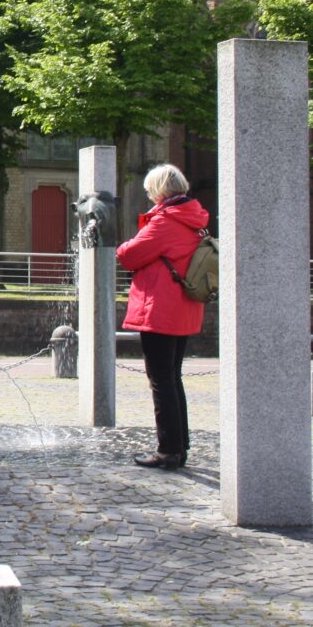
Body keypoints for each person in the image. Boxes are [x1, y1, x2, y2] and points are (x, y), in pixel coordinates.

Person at [116, 163, 209, 470]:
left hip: (159, 311)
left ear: (158, 190)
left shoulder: (165, 222)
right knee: (173, 377)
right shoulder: (194, 219)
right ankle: (180, 446)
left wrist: (126, 243)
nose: (148, 196)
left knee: (161, 381)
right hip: (183, 308)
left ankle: (168, 450)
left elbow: (128, 255)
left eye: (149, 191)